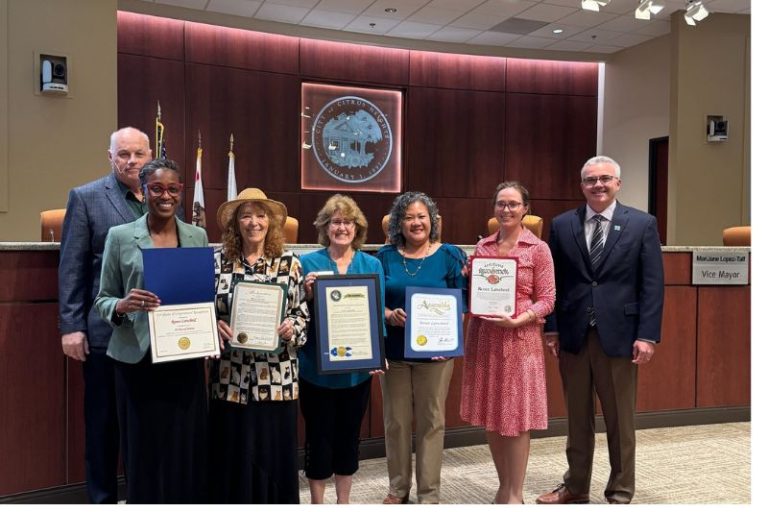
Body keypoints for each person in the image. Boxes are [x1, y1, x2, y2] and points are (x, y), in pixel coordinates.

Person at [536, 156, 664, 505]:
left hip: (621, 336)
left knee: (620, 420)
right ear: (582, 186)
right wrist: (552, 329)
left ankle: (620, 490)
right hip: (574, 336)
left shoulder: (642, 224)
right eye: (591, 180)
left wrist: (647, 335)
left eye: (605, 179)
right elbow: (553, 282)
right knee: (577, 418)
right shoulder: (562, 225)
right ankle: (576, 486)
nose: (598, 185)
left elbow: (652, 285)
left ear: (618, 183)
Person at [92, 158, 209, 503]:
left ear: (181, 192)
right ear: (144, 191)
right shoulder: (120, 236)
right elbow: (102, 299)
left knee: (184, 447)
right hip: (137, 359)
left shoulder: (197, 236)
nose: (165, 196)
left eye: (173, 189)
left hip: (185, 356)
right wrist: (122, 304)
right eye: (157, 188)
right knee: (143, 450)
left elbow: (202, 294)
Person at [58, 126, 152, 503]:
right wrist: (71, 326)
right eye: (123, 154)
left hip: (155, 336)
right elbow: (72, 268)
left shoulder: (162, 195)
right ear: (110, 157)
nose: (132, 161)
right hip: (105, 334)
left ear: (150, 155)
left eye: (139, 153)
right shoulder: (86, 198)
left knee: (146, 426)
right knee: (103, 426)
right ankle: (102, 502)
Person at [208, 188, 310, 504]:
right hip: (230, 379)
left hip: (277, 379)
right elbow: (203, 312)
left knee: (273, 458)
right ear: (235, 223)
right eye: (246, 215)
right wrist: (213, 326)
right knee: (231, 457)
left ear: (271, 222)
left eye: (261, 215)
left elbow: (302, 314)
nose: (254, 222)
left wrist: (292, 328)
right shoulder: (216, 262)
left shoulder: (290, 263)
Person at [461, 182, 555, 504]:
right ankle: (504, 486)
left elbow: (548, 299)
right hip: (485, 338)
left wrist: (520, 319)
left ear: (526, 208)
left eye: (513, 204)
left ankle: (515, 493)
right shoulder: (483, 246)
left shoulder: (538, 249)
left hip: (520, 340)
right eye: (501, 203)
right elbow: (475, 292)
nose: (506, 209)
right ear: (494, 208)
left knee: (515, 417)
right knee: (492, 413)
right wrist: (468, 276)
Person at [376, 191, 467, 504]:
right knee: (396, 423)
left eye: (421, 216)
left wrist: (449, 339)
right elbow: (373, 299)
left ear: (432, 221)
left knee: (431, 423)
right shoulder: (384, 256)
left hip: (436, 356)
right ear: (398, 224)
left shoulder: (451, 255)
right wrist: (389, 315)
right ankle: (398, 489)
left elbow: (461, 304)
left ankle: (429, 494)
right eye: (408, 217)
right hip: (394, 353)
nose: (416, 222)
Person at [299, 194, 386, 504]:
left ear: (357, 227)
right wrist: (307, 295)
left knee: (349, 438)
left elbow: (377, 313)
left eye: (348, 222)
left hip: (356, 372)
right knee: (318, 438)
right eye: (335, 222)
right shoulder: (307, 263)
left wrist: (378, 352)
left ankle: (343, 502)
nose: (342, 228)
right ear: (325, 227)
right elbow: (295, 312)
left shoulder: (371, 264)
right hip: (316, 370)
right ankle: (317, 503)